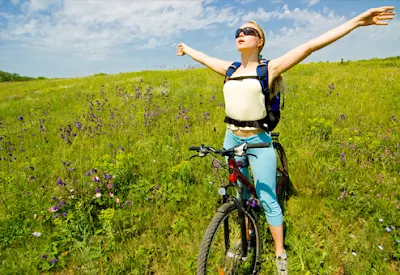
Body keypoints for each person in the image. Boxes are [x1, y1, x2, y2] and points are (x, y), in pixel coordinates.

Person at [176, 6, 395, 274]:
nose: (241, 34)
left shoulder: (269, 68)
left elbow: (311, 45)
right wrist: (186, 49)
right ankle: (246, 229)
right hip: (231, 135)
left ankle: (280, 252)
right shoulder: (229, 69)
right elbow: (204, 57)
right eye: (238, 31)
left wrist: (356, 22)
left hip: (258, 140)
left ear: (260, 41)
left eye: (248, 31)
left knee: (267, 197)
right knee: (240, 191)